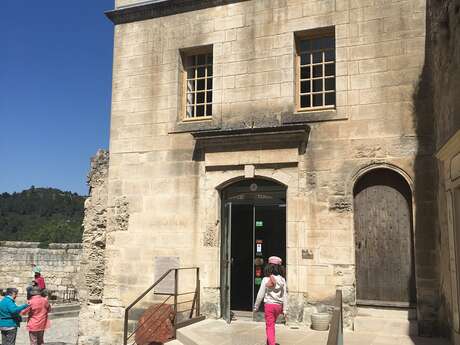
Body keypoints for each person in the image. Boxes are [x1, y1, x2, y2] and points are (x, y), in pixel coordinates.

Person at [253, 256, 288, 345]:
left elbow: (260, 295)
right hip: (279, 307)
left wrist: (256, 307)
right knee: (272, 325)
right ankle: (269, 343)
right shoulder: (283, 280)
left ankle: (271, 343)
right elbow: (284, 295)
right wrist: (284, 309)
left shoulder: (265, 280)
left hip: (269, 306)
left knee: (269, 326)